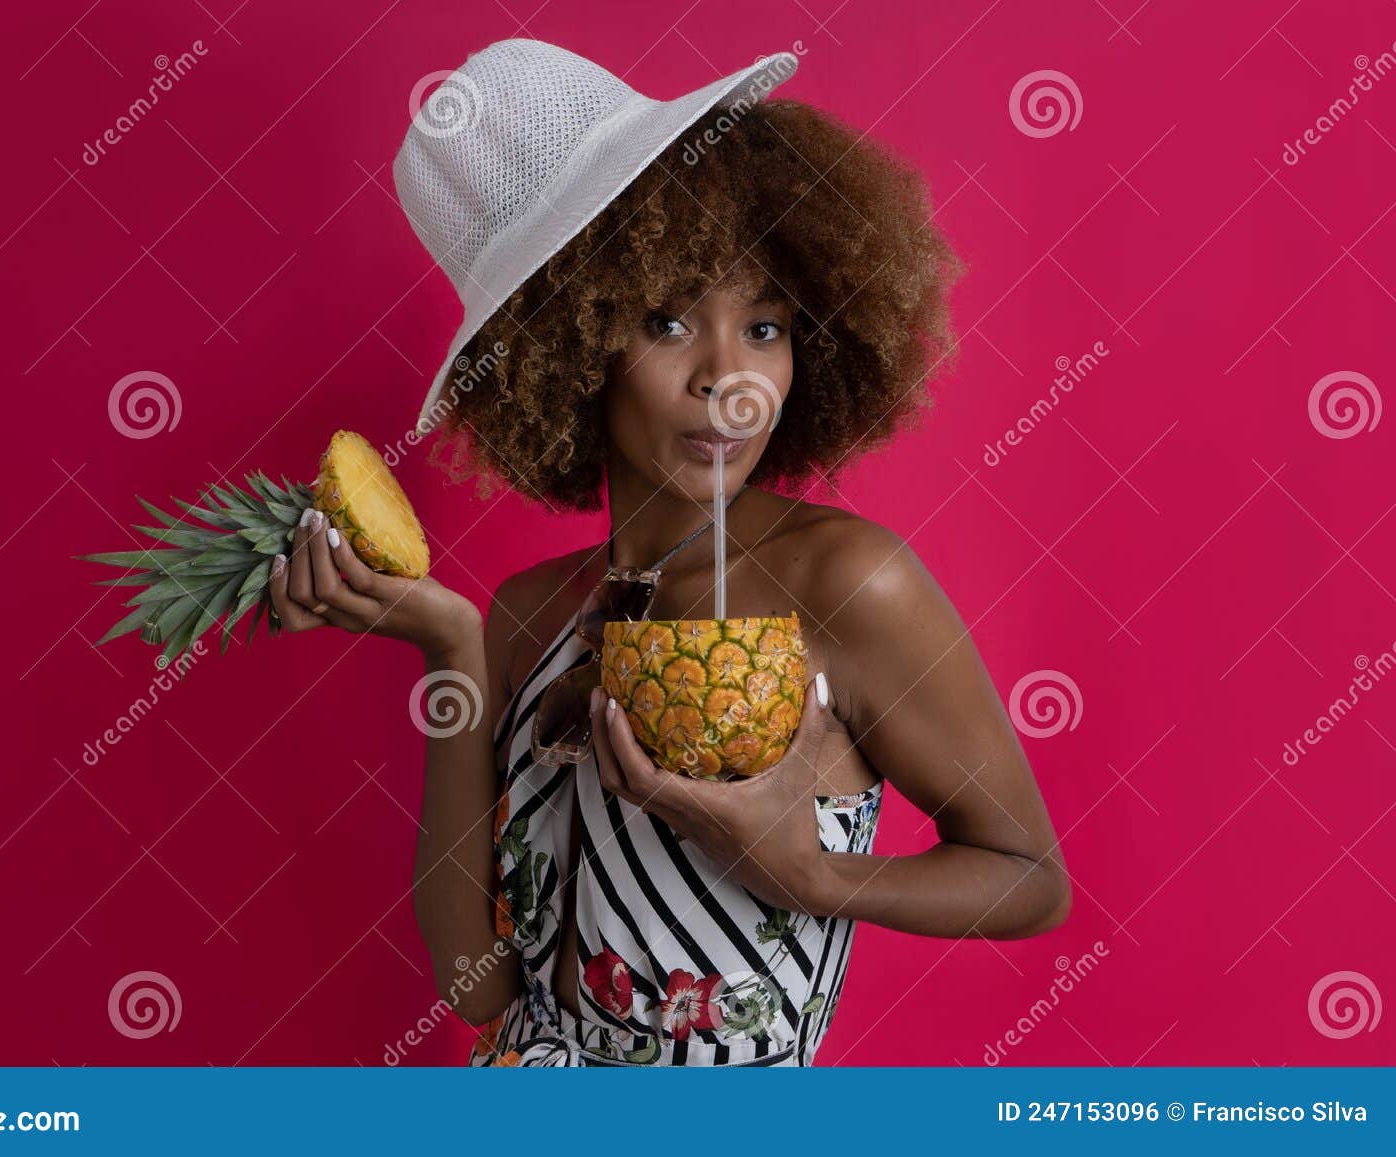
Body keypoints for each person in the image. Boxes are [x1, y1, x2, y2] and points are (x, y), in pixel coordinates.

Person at [269, 38, 1071, 1066]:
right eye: (666, 319)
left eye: (768, 328)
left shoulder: (843, 583)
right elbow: (474, 979)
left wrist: (809, 874)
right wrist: (450, 647)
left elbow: (1026, 874)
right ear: (569, 345)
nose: (728, 378)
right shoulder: (523, 614)